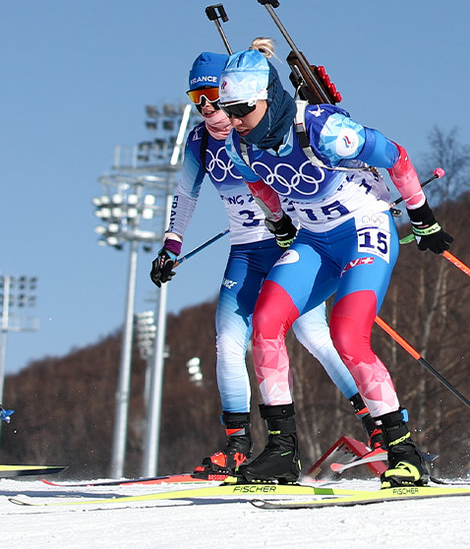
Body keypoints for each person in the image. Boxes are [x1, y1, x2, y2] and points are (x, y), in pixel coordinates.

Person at [220, 44, 452, 487]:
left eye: (241, 108)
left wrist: (422, 216)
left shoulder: (322, 130)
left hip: (363, 226)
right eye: (226, 109)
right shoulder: (240, 144)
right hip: (315, 239)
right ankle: (281, 452)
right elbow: (259, 184)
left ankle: (404, 453)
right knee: (265, 324)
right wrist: (279, 221)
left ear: (268, 97)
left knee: (348, 336)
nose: (233, 119)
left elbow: (396, 155)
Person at [149, 50, 381, 478]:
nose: (207, 108)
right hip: (245, 251)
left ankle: (378, 427)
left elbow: (301, 129)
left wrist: (276, 66)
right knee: (228, 339)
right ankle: (237, 445)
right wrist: (171, 245)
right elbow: (185, 194)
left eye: (215, 96)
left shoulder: (256, 131)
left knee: (316, 336)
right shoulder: (200, 141)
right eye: (196, 98)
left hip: (290, 243)